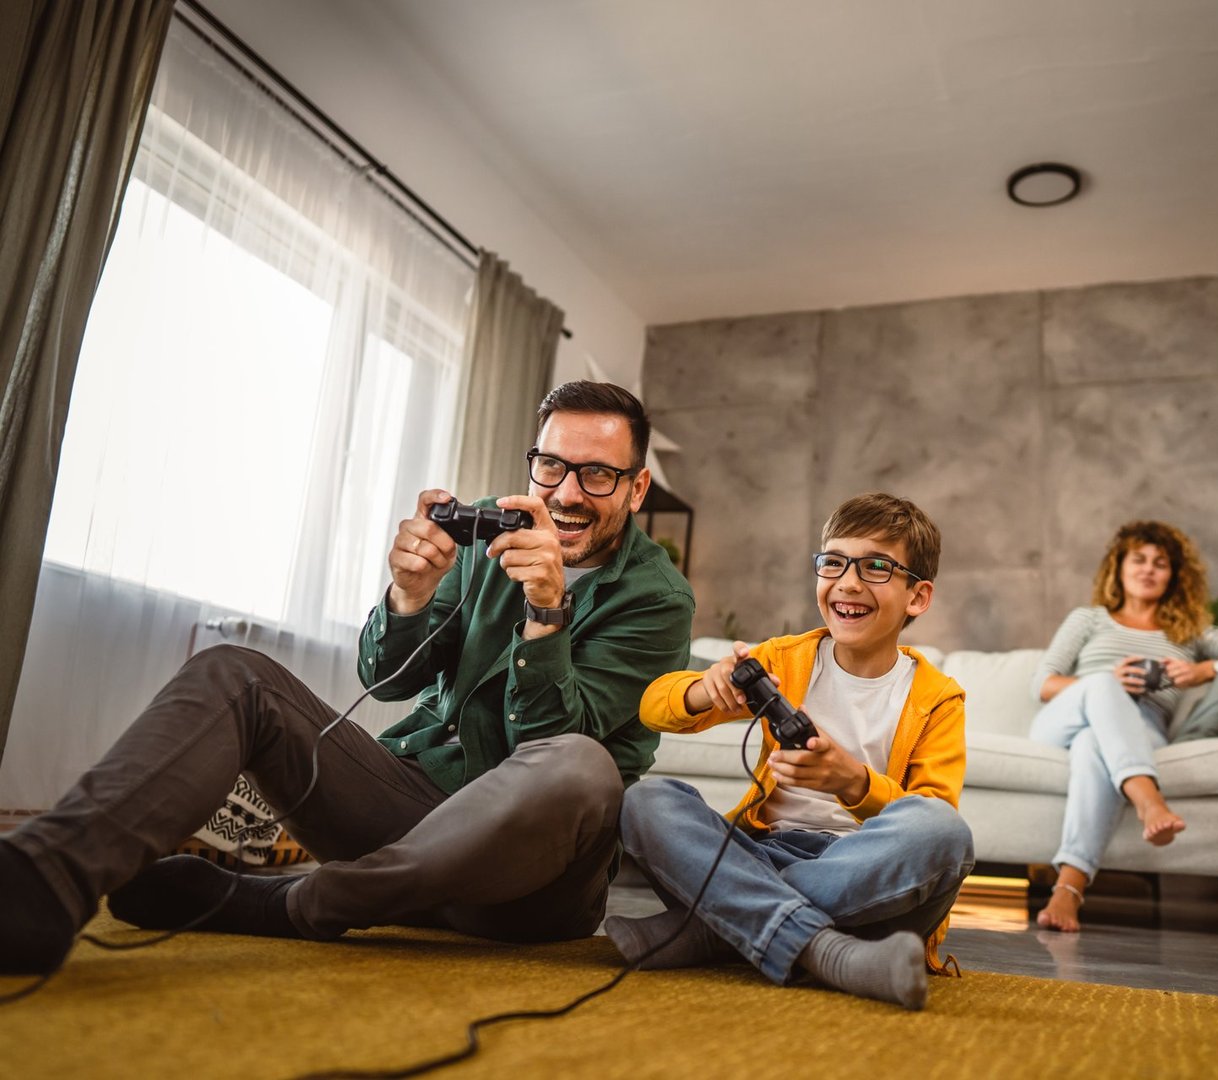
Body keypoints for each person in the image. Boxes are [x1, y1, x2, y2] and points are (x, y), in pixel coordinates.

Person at [0, 381, 694, 975]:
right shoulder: (493, 532)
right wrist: (410, 596)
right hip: (407, 812)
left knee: (581, 764)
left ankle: (296, 902)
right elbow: (388, 683)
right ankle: (45, 876)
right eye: (551, 465)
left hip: (526, 880)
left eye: (597, 475)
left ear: (635, 489)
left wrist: (546, 611)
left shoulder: (658, 598)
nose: (566, 494)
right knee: (234, 673)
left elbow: (545, 742)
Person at [604, 493, 973, 1011]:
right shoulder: (784, 659)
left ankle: (715, 927)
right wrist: (704, 691)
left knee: (943, 832)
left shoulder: (938, 698)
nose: (847, 582)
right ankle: (827, 950)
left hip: (863, 874)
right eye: (833, 562)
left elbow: (931, 811)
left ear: (918, 596)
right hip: (758, 851)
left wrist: (853, 783)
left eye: (875, 567)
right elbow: (651, 708)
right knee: (647, 802)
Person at [1028, 520, 1218, 933]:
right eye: (1138, 559)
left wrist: (1203, 670)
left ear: (1174, 576)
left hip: (1140, 731)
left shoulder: (1189, 632)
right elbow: (1043, 683)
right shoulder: (1090, 619)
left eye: (1161, 563)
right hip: (1065, 720)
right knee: (1101, 688)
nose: (1149, 569)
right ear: (1118, 568)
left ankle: (1068, 890)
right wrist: (1104, 685)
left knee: (1092, 746)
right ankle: (1148, 799)